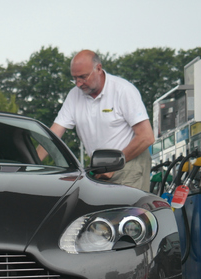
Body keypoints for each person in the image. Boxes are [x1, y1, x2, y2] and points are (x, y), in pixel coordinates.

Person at [50, 50, 155, 191]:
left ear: (98, 69)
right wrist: (29, 163)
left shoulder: (123, 90)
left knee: (126, 211)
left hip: (130, 164)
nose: (78, 84)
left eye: (83, 77)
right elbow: (53, 135)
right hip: (100, 170)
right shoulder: (74, 96)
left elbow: (146, 137)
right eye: (74, 78)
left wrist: (114, 164)